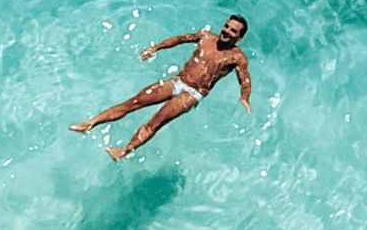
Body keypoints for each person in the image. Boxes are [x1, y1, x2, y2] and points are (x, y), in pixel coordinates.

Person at [70, 15, 254, 161]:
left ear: (239, 37)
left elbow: (244, 79)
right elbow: (179, 39)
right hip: (177, 81)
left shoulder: (237, 58)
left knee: (155, 122)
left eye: (233, 31)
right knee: (133, 102)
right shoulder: (206, 37)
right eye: (227, 26)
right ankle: (89, 123)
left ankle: (124, 151)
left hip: (193, 94)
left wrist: (244, 97)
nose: (227, 31)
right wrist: (156, 48)